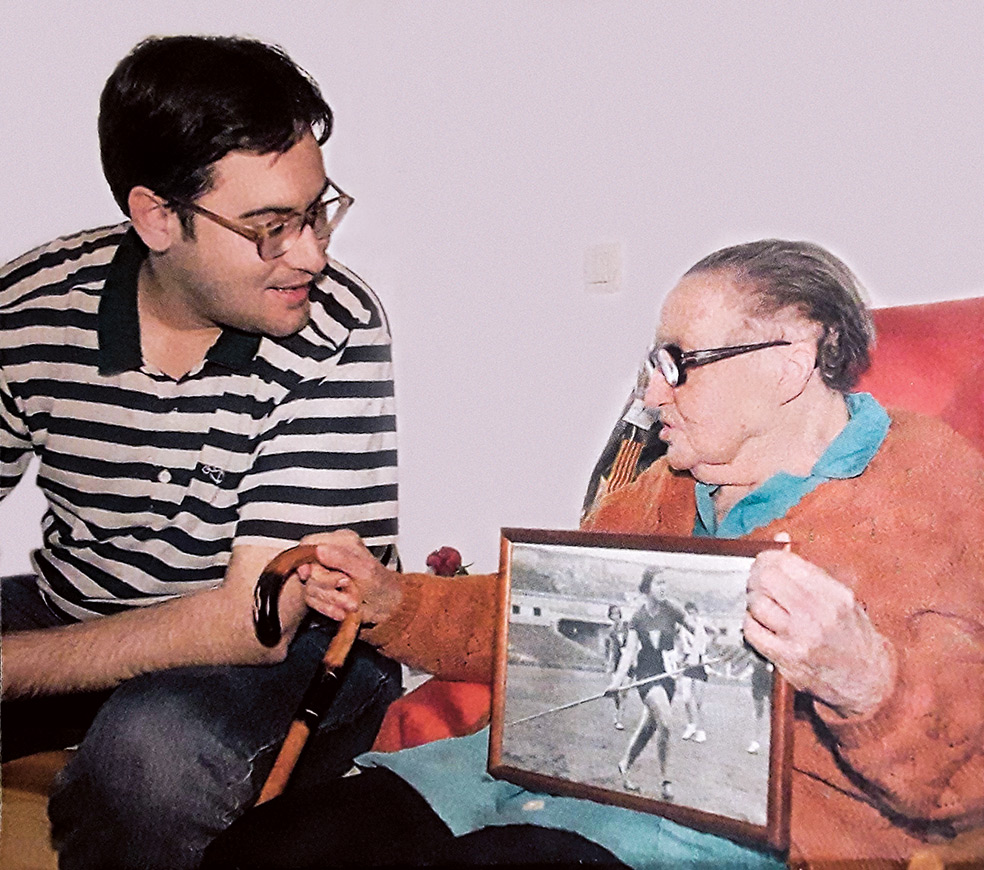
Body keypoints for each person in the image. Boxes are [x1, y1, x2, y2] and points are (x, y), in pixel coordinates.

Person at [203, 239, 984, 869]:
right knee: (267, 849)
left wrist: (868, 682)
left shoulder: (926, 487)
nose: (650, 395)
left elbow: (968, 774)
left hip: (727, 832)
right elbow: (534, 619)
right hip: (518, 779)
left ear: (787, 363)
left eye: (677, 364)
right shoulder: (662, 490)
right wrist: (390, 600)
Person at [0, 35, 403, 870]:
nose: (311, 253)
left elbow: (254, 621)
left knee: (153, 755)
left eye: (316, 211)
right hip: (79, 608)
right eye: (270, 227)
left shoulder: (334, 325)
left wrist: (10, 667)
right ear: (156, 217)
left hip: (296, 653)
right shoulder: (31, 311)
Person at [607, 567, 687, 799]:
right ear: (647, 588)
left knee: (648, 728)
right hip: (646, 674)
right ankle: (666, 780)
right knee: (666, 722)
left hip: (668, 676)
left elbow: (697, 629)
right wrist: (616, 682)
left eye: (665, 583)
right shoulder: (638, 618)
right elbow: (628, 653)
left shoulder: (673, 609)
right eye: (659, 583)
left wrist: (693, 655)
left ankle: (625, 763)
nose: (664, 588)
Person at [677, 600, 710, 744]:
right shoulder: (683, 628)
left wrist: (706, 649)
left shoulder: (702, 624)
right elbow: (680, 645)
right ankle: (691, 725)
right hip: (688, 664)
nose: (691, 616)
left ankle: (701, 731)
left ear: (696, 613)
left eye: (693, 613)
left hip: (700, 665)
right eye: (688, 614)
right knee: (686, 698)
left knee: (698, 702)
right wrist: (680, 660)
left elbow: (715, 632)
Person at [604, 602, 629, 730]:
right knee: (616, 691)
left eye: (618, 613)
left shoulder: (627, 627)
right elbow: (610, 649)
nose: (616, 616)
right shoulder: (611, 631)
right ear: (610, 616)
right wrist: (609, 663)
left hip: (627, 662)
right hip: (617, 662)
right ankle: (617, 712)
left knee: (624, 692)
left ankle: (619, 719)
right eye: (613, 614)